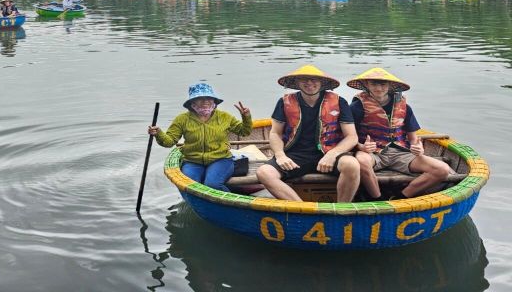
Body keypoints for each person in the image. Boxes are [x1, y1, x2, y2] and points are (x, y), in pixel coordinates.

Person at [256, 65, 360, 202]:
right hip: (295, 155)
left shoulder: (339, 102)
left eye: (314, 80)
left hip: (328, 152)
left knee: (352, 165)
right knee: (263, 173)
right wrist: (280, 155)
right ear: (297, 83)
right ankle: (302, 208)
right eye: (304, 79)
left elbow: (352, 137)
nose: (309, 83)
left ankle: (342, 209)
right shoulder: (285, 102)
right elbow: (275, 133)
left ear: (322, 83)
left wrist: (332, 154)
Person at [347, 68, 451, 200]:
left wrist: (419, 149)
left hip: (401, 152)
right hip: (372, 153)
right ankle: (378, 198)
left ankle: (400, 196)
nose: (379, 88)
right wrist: (361, 147)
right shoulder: (357, 106)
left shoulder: (404, 106)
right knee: (361, 161)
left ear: (390, 86)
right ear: (367, 85)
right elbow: (347, 136)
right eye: (374, 84)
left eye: (383, 84)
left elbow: (413, 139)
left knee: (442, 170)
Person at [148, 83, 252, 192]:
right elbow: (169, 142)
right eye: (200, 99)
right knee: (189, 186)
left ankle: (231, 204)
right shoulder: (182, 119)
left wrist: (246, 117)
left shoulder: (225, 117)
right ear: (192, 103)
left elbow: (244, 132)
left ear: (214, 102)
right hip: (192, 161)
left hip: (221, 159)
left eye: (209, 98)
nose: (206, 101)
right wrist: (158, 133)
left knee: (212, 185)